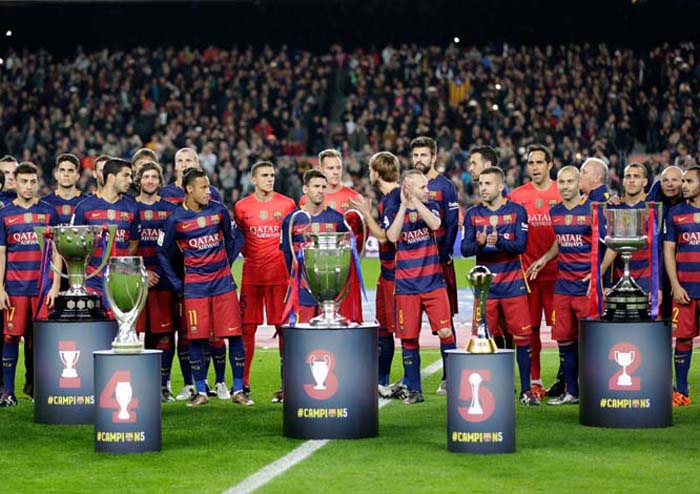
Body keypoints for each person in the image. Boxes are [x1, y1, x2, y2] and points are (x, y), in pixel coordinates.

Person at [157, 168, 251, 407]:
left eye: (208, 187)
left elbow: (234, 240)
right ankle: (200, 391)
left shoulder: (218, 211)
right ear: (189, 189)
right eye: (203, 187)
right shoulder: (176, 219)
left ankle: (239, 390)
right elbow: (162, 253)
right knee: (196, 339)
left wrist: (225, 266)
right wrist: (178, 283)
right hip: (195, 289)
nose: (208, 192)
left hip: (223, 286)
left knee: (234, 335)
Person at [461, 166, 539, 406]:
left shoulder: (517, 212)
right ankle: (491, 389)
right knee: (484, 339)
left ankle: (527, 390)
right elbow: (465, 250)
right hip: (486, 288)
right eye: (480, 184)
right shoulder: (473, 214)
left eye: (487, 184)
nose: (482, 188)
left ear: (499, 186)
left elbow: (521, 246)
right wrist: (479, 242)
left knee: (523, 337)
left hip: (513, 284)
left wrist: (501, 240)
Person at [528, 166, 603, 405]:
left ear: (579, 182)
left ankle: (596, 390)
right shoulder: (555, 211)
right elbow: (559, 242)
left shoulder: (593, 209)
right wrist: (544, 258)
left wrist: (597, 273)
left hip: (586, 286)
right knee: (563, 338)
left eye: (570, 181)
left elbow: (609, 245)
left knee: (591, 338)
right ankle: (572, 392)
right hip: (563, 286)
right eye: (561, 182)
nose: (565, 186)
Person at [385, 169, 456, 405]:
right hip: (406, 286)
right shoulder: (395, 209)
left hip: (433, 282)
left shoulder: (432, 206)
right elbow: (393, 236)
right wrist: (405, 205)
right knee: (409, 338)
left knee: (446, 332)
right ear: (409, 188)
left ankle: (454, 382)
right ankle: (414, 389)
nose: (428, 190)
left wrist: (416, 201)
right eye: (423, 187)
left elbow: (435, 224)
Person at [160, 147, 225, 399]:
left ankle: (202, 382)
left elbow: (224, 234)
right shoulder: (165, 194)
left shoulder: (211, 193)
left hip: (203, 275)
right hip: (174, 275)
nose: (184, 163)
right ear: (174, 166)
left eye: (189, 160)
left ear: (197, 164)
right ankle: (178, 383)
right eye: (180, 160)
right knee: (172, 329)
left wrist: (218, 265)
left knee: (200, 330)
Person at [233, 161, 295, 403]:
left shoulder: (287, 204)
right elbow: (239, 240)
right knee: (247, 329)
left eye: (272, 175)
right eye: (265, 175)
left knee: (284, 329)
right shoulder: (242, 207)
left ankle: (286, 385)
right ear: (254, 180)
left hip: (280, 277)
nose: (270, 179)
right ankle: (243, 385)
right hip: (252, 276)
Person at [0, 162, 61, 406]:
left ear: (38, 183)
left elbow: (57, 251)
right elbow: (1, 253)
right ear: (14, 182)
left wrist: (55, 285)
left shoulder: (48, 212)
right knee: (10, 338)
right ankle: (8, 392)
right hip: (15, 288)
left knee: (40, 341)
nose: (28, 186)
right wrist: (0, 288)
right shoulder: (4, 214)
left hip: (42, 288)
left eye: (33, 182)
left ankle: (39, 389)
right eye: (24, 181)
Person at [510, 144, 561, 400]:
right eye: (531, 163)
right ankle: (535, 380)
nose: (535, 167)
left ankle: (566, 381)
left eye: (540, 162)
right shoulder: (518, 196)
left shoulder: (561, 192)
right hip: (526, 276)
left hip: (558, 274)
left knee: (564, 331)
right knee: (528, 331)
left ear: (550, 165)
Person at [410, 136, 460, 394]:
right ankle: (411, 380)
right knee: (411, 321)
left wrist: (444, 255)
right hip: (415, 265)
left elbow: (451, 223)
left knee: (445, 320)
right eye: (416, 155)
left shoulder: (445, 186)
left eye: (423, 155)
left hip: (439, 262)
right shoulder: (408, 186)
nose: (419, 160)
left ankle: (449, 376)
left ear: (433, 157)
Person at [349, 151, 401, 398]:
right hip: (388, 272)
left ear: (377, 172)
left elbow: (384, 237)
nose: (369, 174)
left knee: (393, 329)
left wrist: (365, 212)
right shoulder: (390, 197)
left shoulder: (392, 198)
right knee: (385, 328)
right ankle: (382, 380)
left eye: (371, 169)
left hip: (396, 273)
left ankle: (392, 381)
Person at [134, 161, 181, 402]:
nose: (150, 181)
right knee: (134, 333)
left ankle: (162, 385)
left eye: (154, 177)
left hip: (162, 280)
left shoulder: (169, 210)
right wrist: (142, 272)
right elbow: (127, 247)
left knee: (162, 335)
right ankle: (138, 383)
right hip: (135, 280)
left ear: (160, 181)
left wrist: (164, 274)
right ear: (138, 180)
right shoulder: (131, 208)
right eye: (146, 177)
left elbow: (174, 247)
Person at [299, 149, 364, 324]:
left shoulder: (353, 197)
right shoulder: (308, 198)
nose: (336, 172)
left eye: (338, 167)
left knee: (347, 320)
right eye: (330, 168)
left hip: (342, 269)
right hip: (315, 268)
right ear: (320, 168)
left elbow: (360, 235)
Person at [280, 170, 348, 326]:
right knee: (303, 339)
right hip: (302, 292)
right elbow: (287, 256)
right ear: (305, 189)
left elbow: (344, 255)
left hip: (331, 292)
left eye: (324, 187)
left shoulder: (337, 219)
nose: (320, 190)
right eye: (316, 186)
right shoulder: (291, 220)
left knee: (330, 338)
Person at [72, 159, 140, 298]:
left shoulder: (132, 207)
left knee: (119, 319)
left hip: (121, 279)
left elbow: (134, 242)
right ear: (111, 177)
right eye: (126, 175)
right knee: (95, 319)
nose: (130, 181)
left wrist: (121, 265)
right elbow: (76, 245)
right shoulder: (84, 207)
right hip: (92, 279)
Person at [599, 163, 661, 313]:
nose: (632, 180)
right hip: (618, 282)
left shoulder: (653, 209)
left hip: (648, 281)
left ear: (645, 182)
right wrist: (606, 284)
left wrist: (658, 286)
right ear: (623, 181)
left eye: (636, 176)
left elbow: (660, 250)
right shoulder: (613, 208)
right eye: (628, 176)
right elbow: (605, 248)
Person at [663, 166, 700, 407]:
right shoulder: (676, 213)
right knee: (683, 340)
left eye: (689, 181)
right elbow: (669, 250)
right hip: (685, 290)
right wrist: (675, 285)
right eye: (683, 181)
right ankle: (682, 391)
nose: (683, 185)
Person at [42, 153, 84, 225]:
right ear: (56, 175)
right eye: (62, 170)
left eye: (70, 170)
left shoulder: (86, 202)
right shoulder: (44, 203)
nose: (66, 174)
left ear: (77, 176)